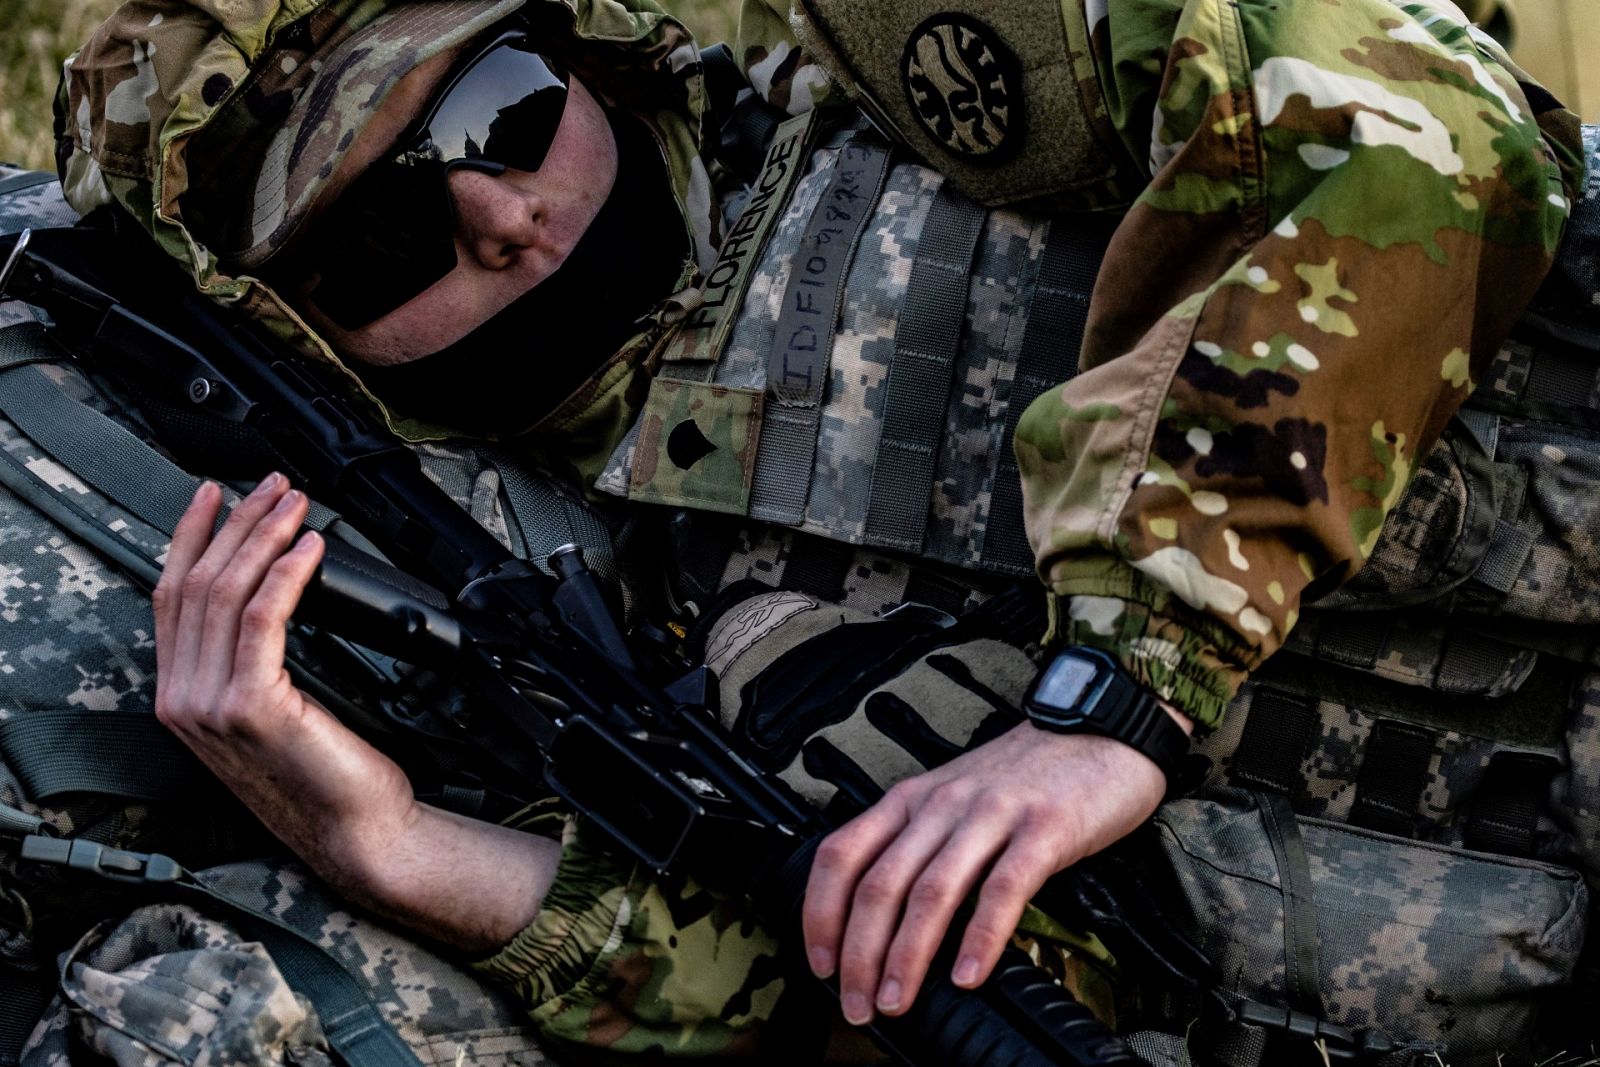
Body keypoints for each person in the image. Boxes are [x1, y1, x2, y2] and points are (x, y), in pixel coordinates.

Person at [28, 0, 1594, 1059]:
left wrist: (1128, 682)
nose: (503, 218)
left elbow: (1410, 113)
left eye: (503, 115)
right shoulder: (606, 617)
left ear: (583, 51)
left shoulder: (932, 100)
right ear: (309, 334)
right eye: (379, 241)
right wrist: (389, 843)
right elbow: (846, 977)